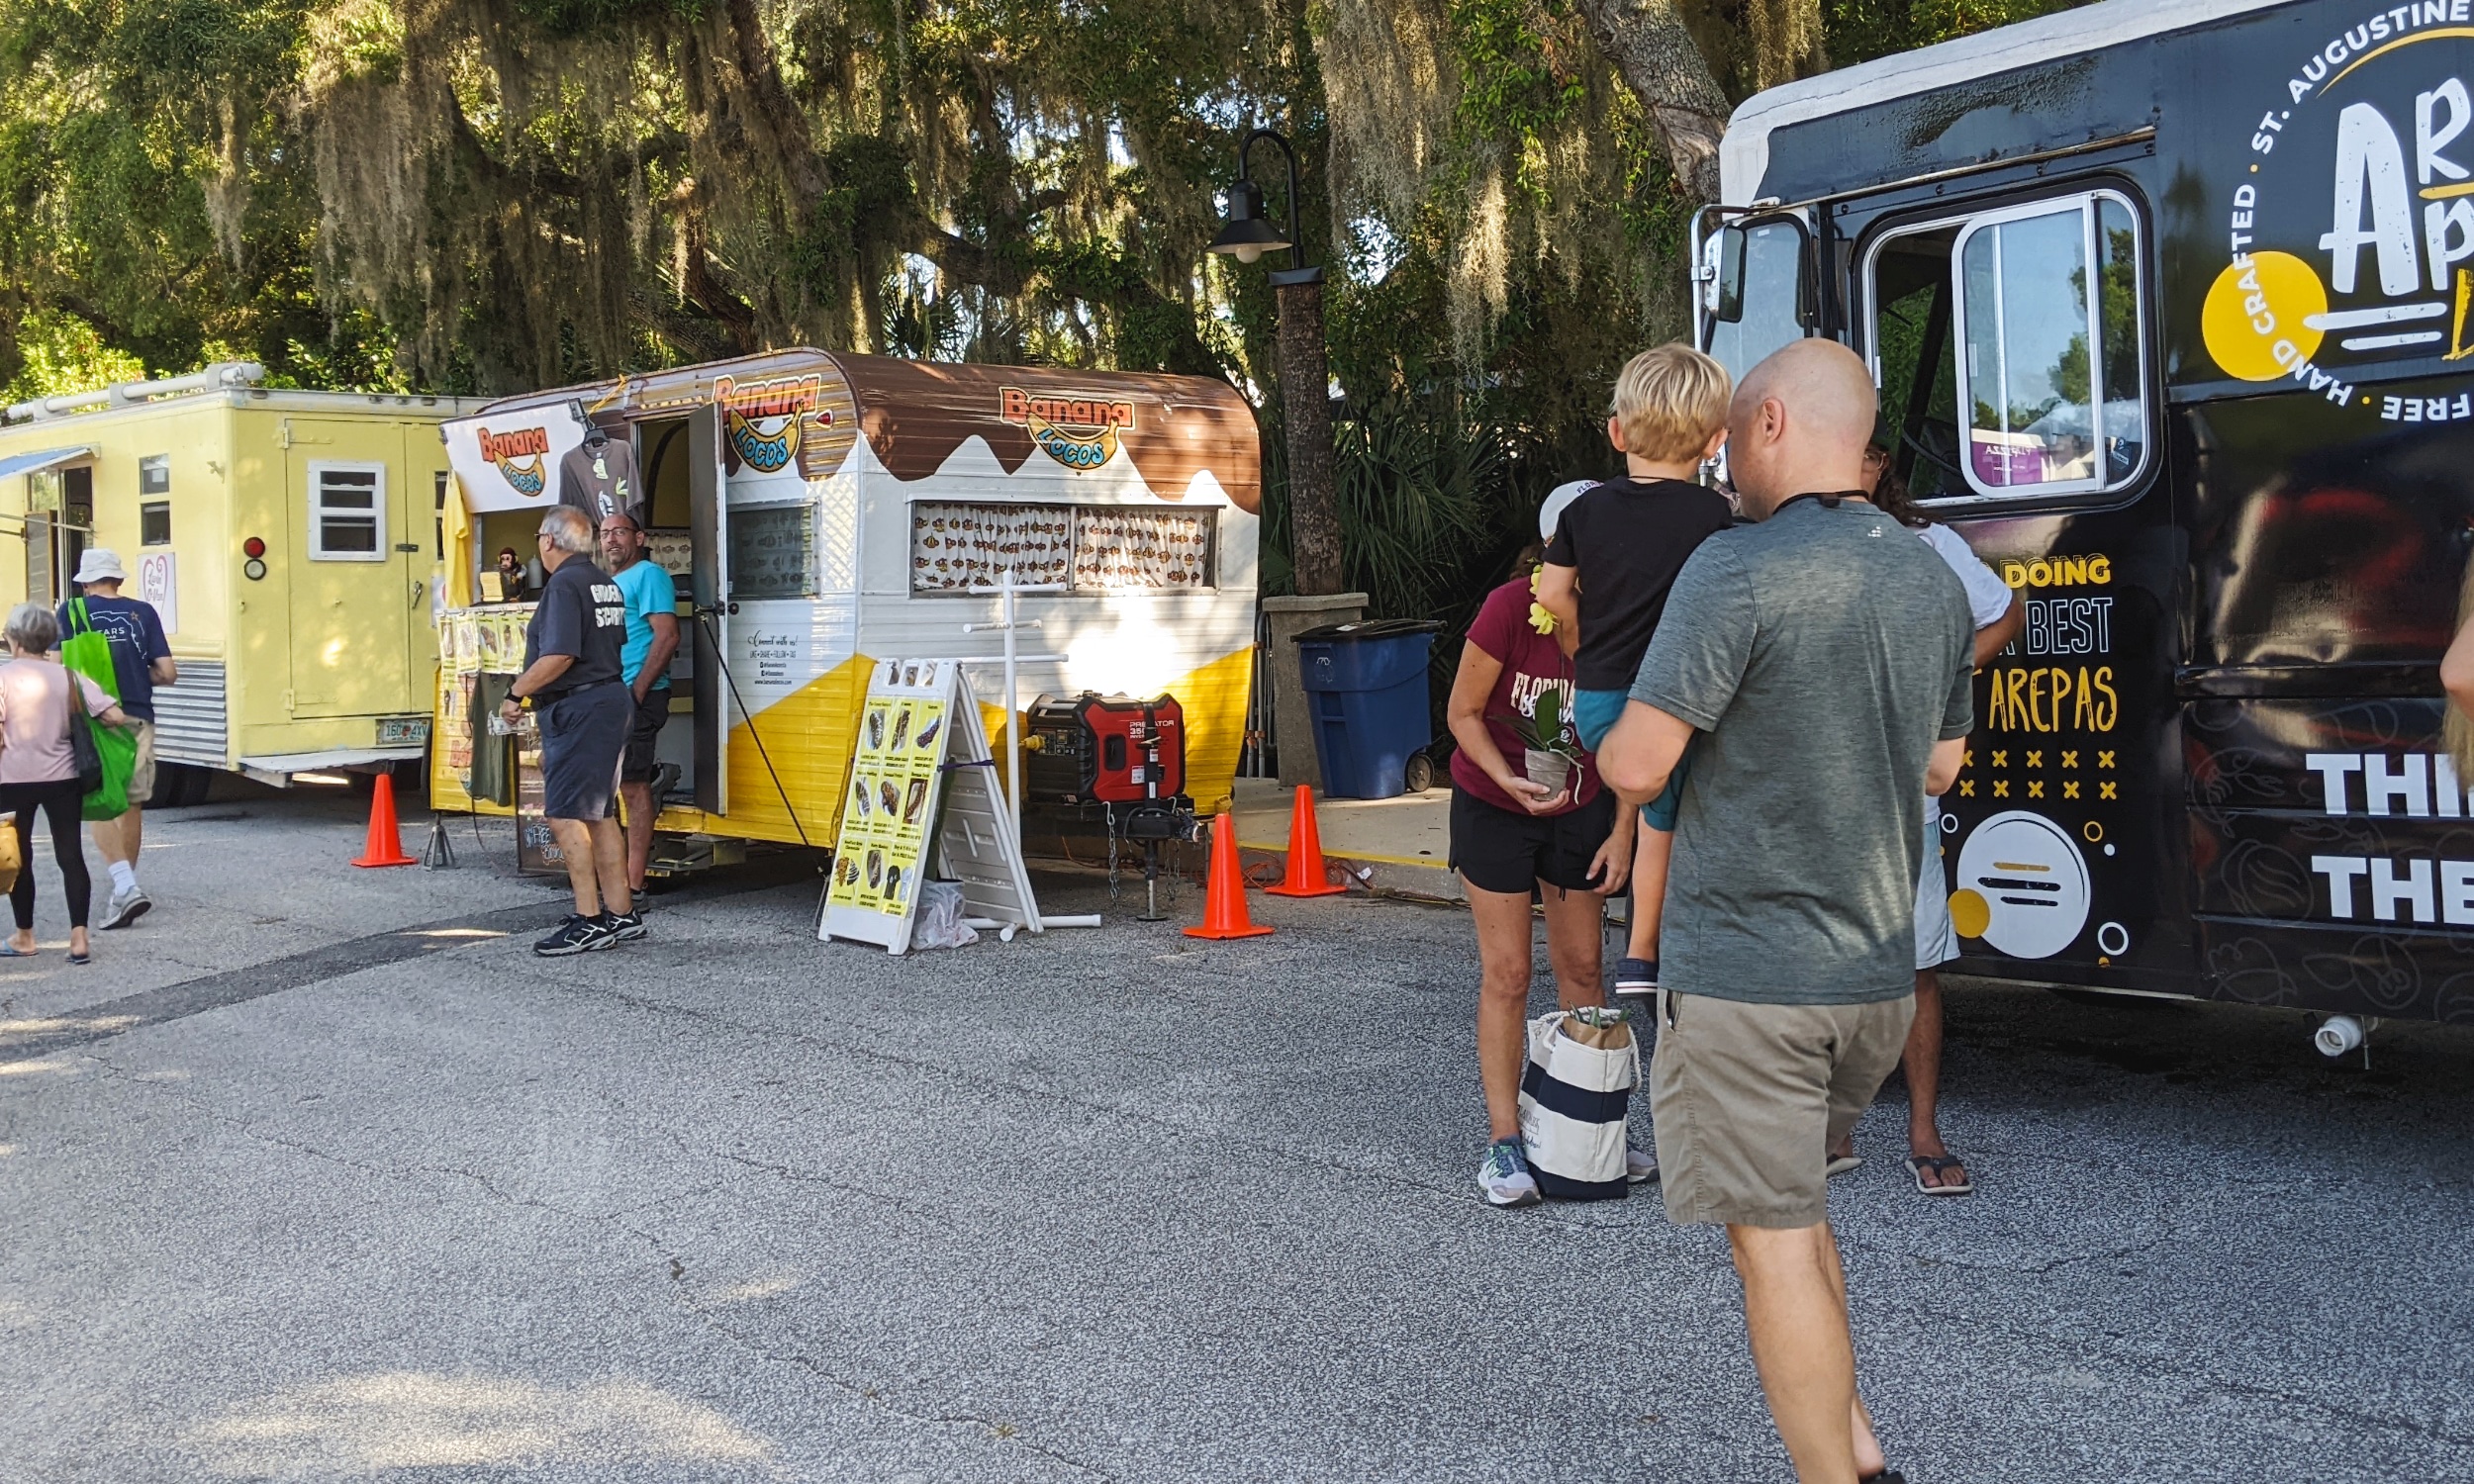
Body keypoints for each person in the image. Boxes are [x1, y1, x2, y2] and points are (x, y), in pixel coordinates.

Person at [1598, 339, 1973, 1484]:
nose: (1720, 458)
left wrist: (1619, 737)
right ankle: (1856, 1447)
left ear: (1769, 426)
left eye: (1731, 433)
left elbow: (1638, 767)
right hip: (1868, 976)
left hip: (1751, 974)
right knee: (1794, 1222)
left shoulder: (1735, 568)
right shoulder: (1929, 575)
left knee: (1768, 1246)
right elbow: (1941, 767)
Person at [1822, 443, 2024, 1196]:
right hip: (1819, 785)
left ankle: (1923, 1130)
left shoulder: (1927, 543)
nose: (1854, 464)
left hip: (1906, 790)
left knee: (1915, 967)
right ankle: (1835, 1127)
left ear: (1882, 465)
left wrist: (1944, 673)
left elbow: (2006, 612)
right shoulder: (1785, 543)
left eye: (1867, 452)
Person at [1447, 538, 1641, 1206]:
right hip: (1495, 801)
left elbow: (1633, 740)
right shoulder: (1509, 608)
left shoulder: (1623, 617)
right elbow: (1462, 712)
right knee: (1508, 972)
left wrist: (1623, 832)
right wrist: (1505, 778)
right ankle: (1505, 1142)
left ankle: (1580, 1122)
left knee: (1584, 969)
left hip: (1582, 803)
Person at [1536, 344, 1734, 999]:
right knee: (1667, 814)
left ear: (1617, 432)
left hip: (1596, 702)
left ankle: (1648, 949)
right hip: (1672, 700)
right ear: (1714, 442)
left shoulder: (1580, 512)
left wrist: (1582, 635)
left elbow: (1551, 596)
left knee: (1656, 801)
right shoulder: (1714, 517)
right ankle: (1643, 949)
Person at [500, 508, 640, 955]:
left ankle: (589, 919)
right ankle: (621, 913)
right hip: (608, 699)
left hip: (579, 706)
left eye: (540, 535)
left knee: (565, 813)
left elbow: (559, 655)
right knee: (599, 812)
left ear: (549, 542)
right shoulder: (604, 582)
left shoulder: (562, 585)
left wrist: (515, 693)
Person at [0, 603, 132, 965]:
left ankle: (25, 936)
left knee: (18, 855)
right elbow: (114, 716)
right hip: (64, 778)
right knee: (70, 855)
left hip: (11, 781)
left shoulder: (3, 678)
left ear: (13, 640)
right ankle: (79, 939)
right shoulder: (69, 676)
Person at [58, 549, 174, 930]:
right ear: (118, 580)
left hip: (92, 719)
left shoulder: (72, 612)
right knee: (133, 804)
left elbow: (59, 669)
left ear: (85, 582)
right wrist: (142, 677)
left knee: (97, 802)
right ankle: (124, 891)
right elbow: (167, 672)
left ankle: (125, 888)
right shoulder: (143, 613)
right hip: (138, 715)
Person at [600, 511, 679, 898]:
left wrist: (638, 692)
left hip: (636, 696)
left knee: (633, 786)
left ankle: (632, 882)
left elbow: (667, 635)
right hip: (610, 696)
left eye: (619, 531)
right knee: (612, 787)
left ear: (640, 537)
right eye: (605, 534)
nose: (612, 540)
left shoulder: (648, 574)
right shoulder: (611, 582)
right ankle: (615, 878)